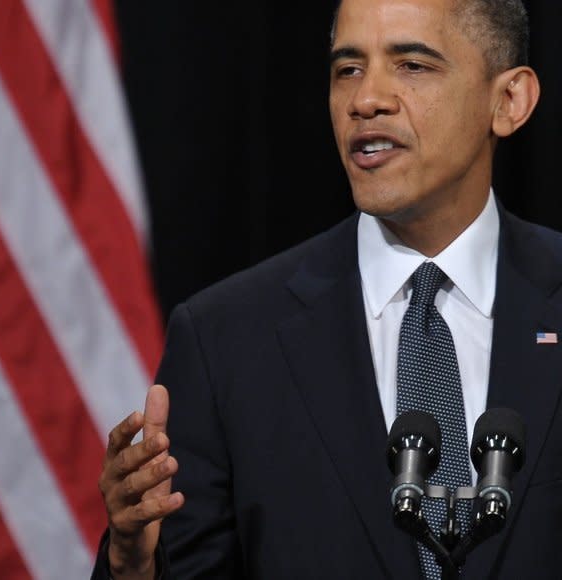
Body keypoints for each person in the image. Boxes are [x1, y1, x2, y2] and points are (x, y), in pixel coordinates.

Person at [93, 0, 562, 577]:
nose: (366, 99)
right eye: (348, 69)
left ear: (508, 100)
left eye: (412, 65)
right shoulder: (227, 341)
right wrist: (131, 564)